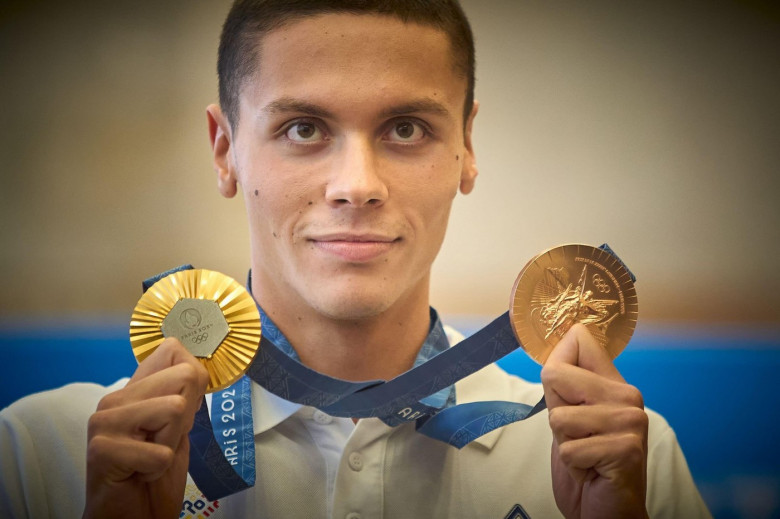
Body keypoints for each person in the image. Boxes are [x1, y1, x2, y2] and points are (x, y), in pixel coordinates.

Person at [0, 1, 711, 518]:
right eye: (303, 128)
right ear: (225, 151)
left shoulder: (614, 460)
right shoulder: (42, 457)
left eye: (406, 128)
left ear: (466, 147)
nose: (358, 186)